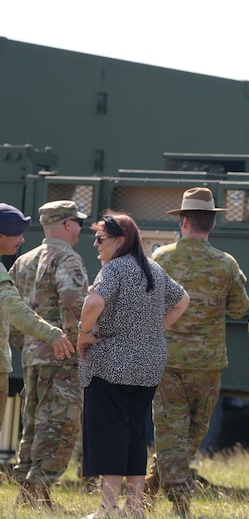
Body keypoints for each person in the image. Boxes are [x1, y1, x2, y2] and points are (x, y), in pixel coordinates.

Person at [77, 211, 189, 518]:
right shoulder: (154, 269)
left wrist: (83, 335)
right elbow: (183, 300)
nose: (96, 245)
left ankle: (108, 509)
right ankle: (135, 509)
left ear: (120, 240)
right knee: (136, 435)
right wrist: (152, 330)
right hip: (149, 364)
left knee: (111, 435)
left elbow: (93, 303)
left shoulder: (114, 269)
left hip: (111, 365)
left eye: (100, 239)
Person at [147, 187, 249, 517]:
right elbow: (239, 309)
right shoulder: (225, 263)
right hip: (207, 364)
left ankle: (158, 479)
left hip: (167, 360)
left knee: (168, 430)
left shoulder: (161, 258)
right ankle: (180, 501)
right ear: (212, 224)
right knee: (193, 431)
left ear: (184, 221)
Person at [10, 200, 89, 509]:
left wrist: (25, 342)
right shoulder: (68, 258)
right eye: (79, 222)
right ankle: (38, 493)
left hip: (32, 355)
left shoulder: (24, 260)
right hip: (61, 355)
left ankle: (28, 493)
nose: (81, 228)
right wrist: (75, 340)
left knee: (33, 422)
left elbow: (10, 308)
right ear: (68, 224)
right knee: (60, 423)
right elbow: (71, 298)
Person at [0, 204, 73, 457]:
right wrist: (53, 335)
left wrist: (28, 343)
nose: (22, 240)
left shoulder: (15, 264)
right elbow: (14, 310)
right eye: (16, 234)